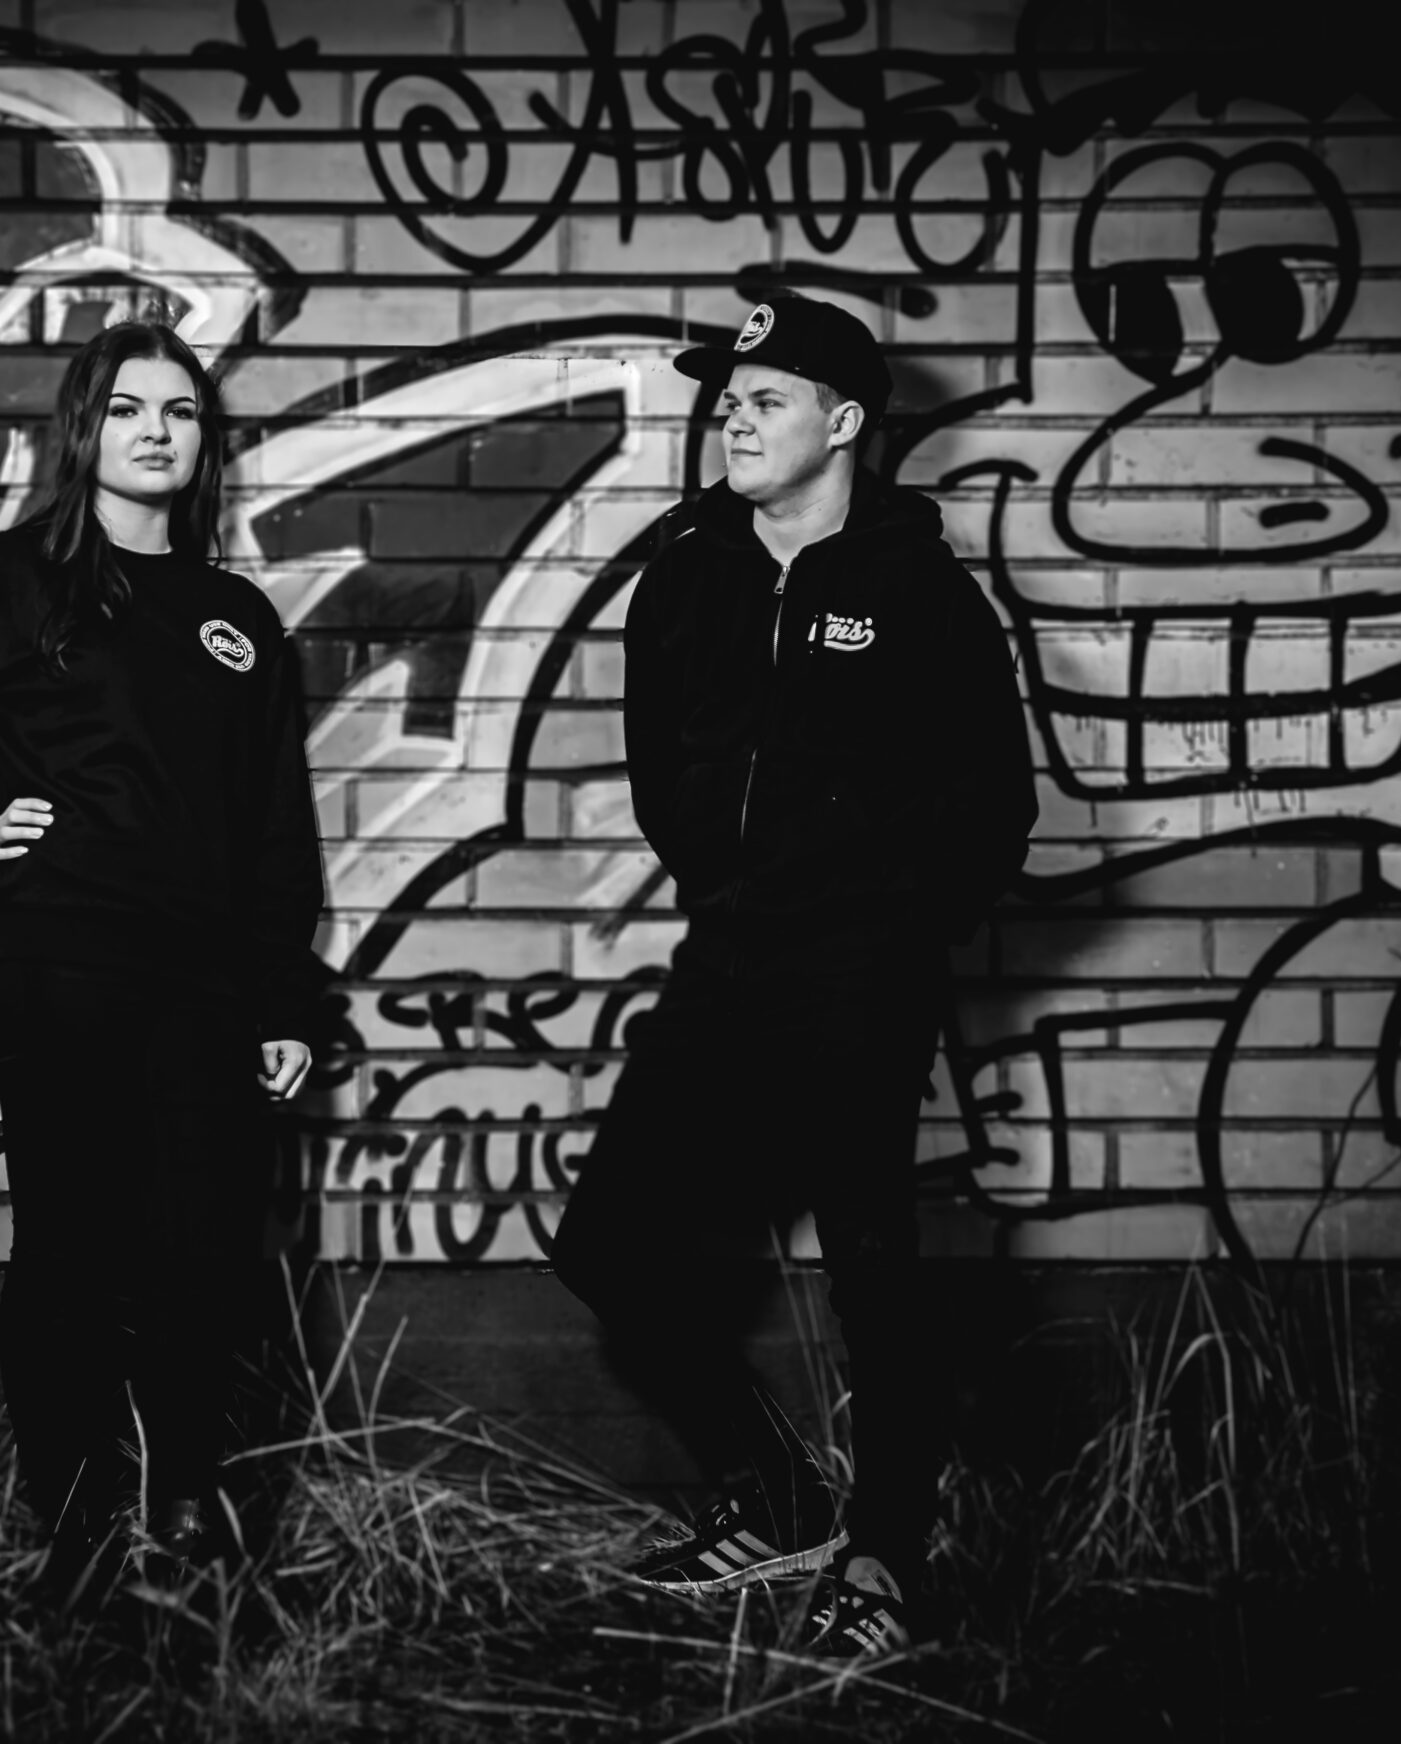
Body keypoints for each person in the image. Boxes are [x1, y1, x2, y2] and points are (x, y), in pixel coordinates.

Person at [550, 292, 1036, 1655]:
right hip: (728, 957)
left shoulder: (920, 593)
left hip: (863, 971)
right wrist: (732, 888)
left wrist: (885, 925)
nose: (734, 419)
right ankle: (775, 1497)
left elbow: (994, 809)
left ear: (844, 421)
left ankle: (883, 1555)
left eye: (764, 400)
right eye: (727, 401)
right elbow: (664, 777)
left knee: (870, 1262)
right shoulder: (685, 578)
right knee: (607, 1248)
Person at [0, 321, 324, 1572]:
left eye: (181, 411)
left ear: (205, 443)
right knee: (74, 1251)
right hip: (62, 963)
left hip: (203, 979)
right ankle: (81, 1536)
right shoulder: (7, 581)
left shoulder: (236, 618)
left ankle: (188, 1508)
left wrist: (284, 1000)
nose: (157, 431)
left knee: (206, 1246)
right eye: (130, 408)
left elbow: (273, 827)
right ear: (84, 430)